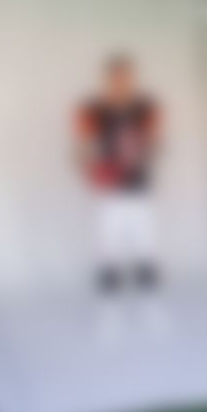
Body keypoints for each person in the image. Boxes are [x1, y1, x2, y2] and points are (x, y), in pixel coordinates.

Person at [74, 54, 167, 338]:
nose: (122, 82)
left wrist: (146, 157)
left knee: (144, 229)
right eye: (116, 77)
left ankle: (145, 274)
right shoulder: (93, 108)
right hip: (109, 181)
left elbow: (155, 140)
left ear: (133, 78)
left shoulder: (146, 106)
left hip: (138, 180)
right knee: (109, 230)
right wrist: (88, 169)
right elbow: (83, 143)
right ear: (107, 79)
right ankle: (110, 277)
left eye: (127, 76)